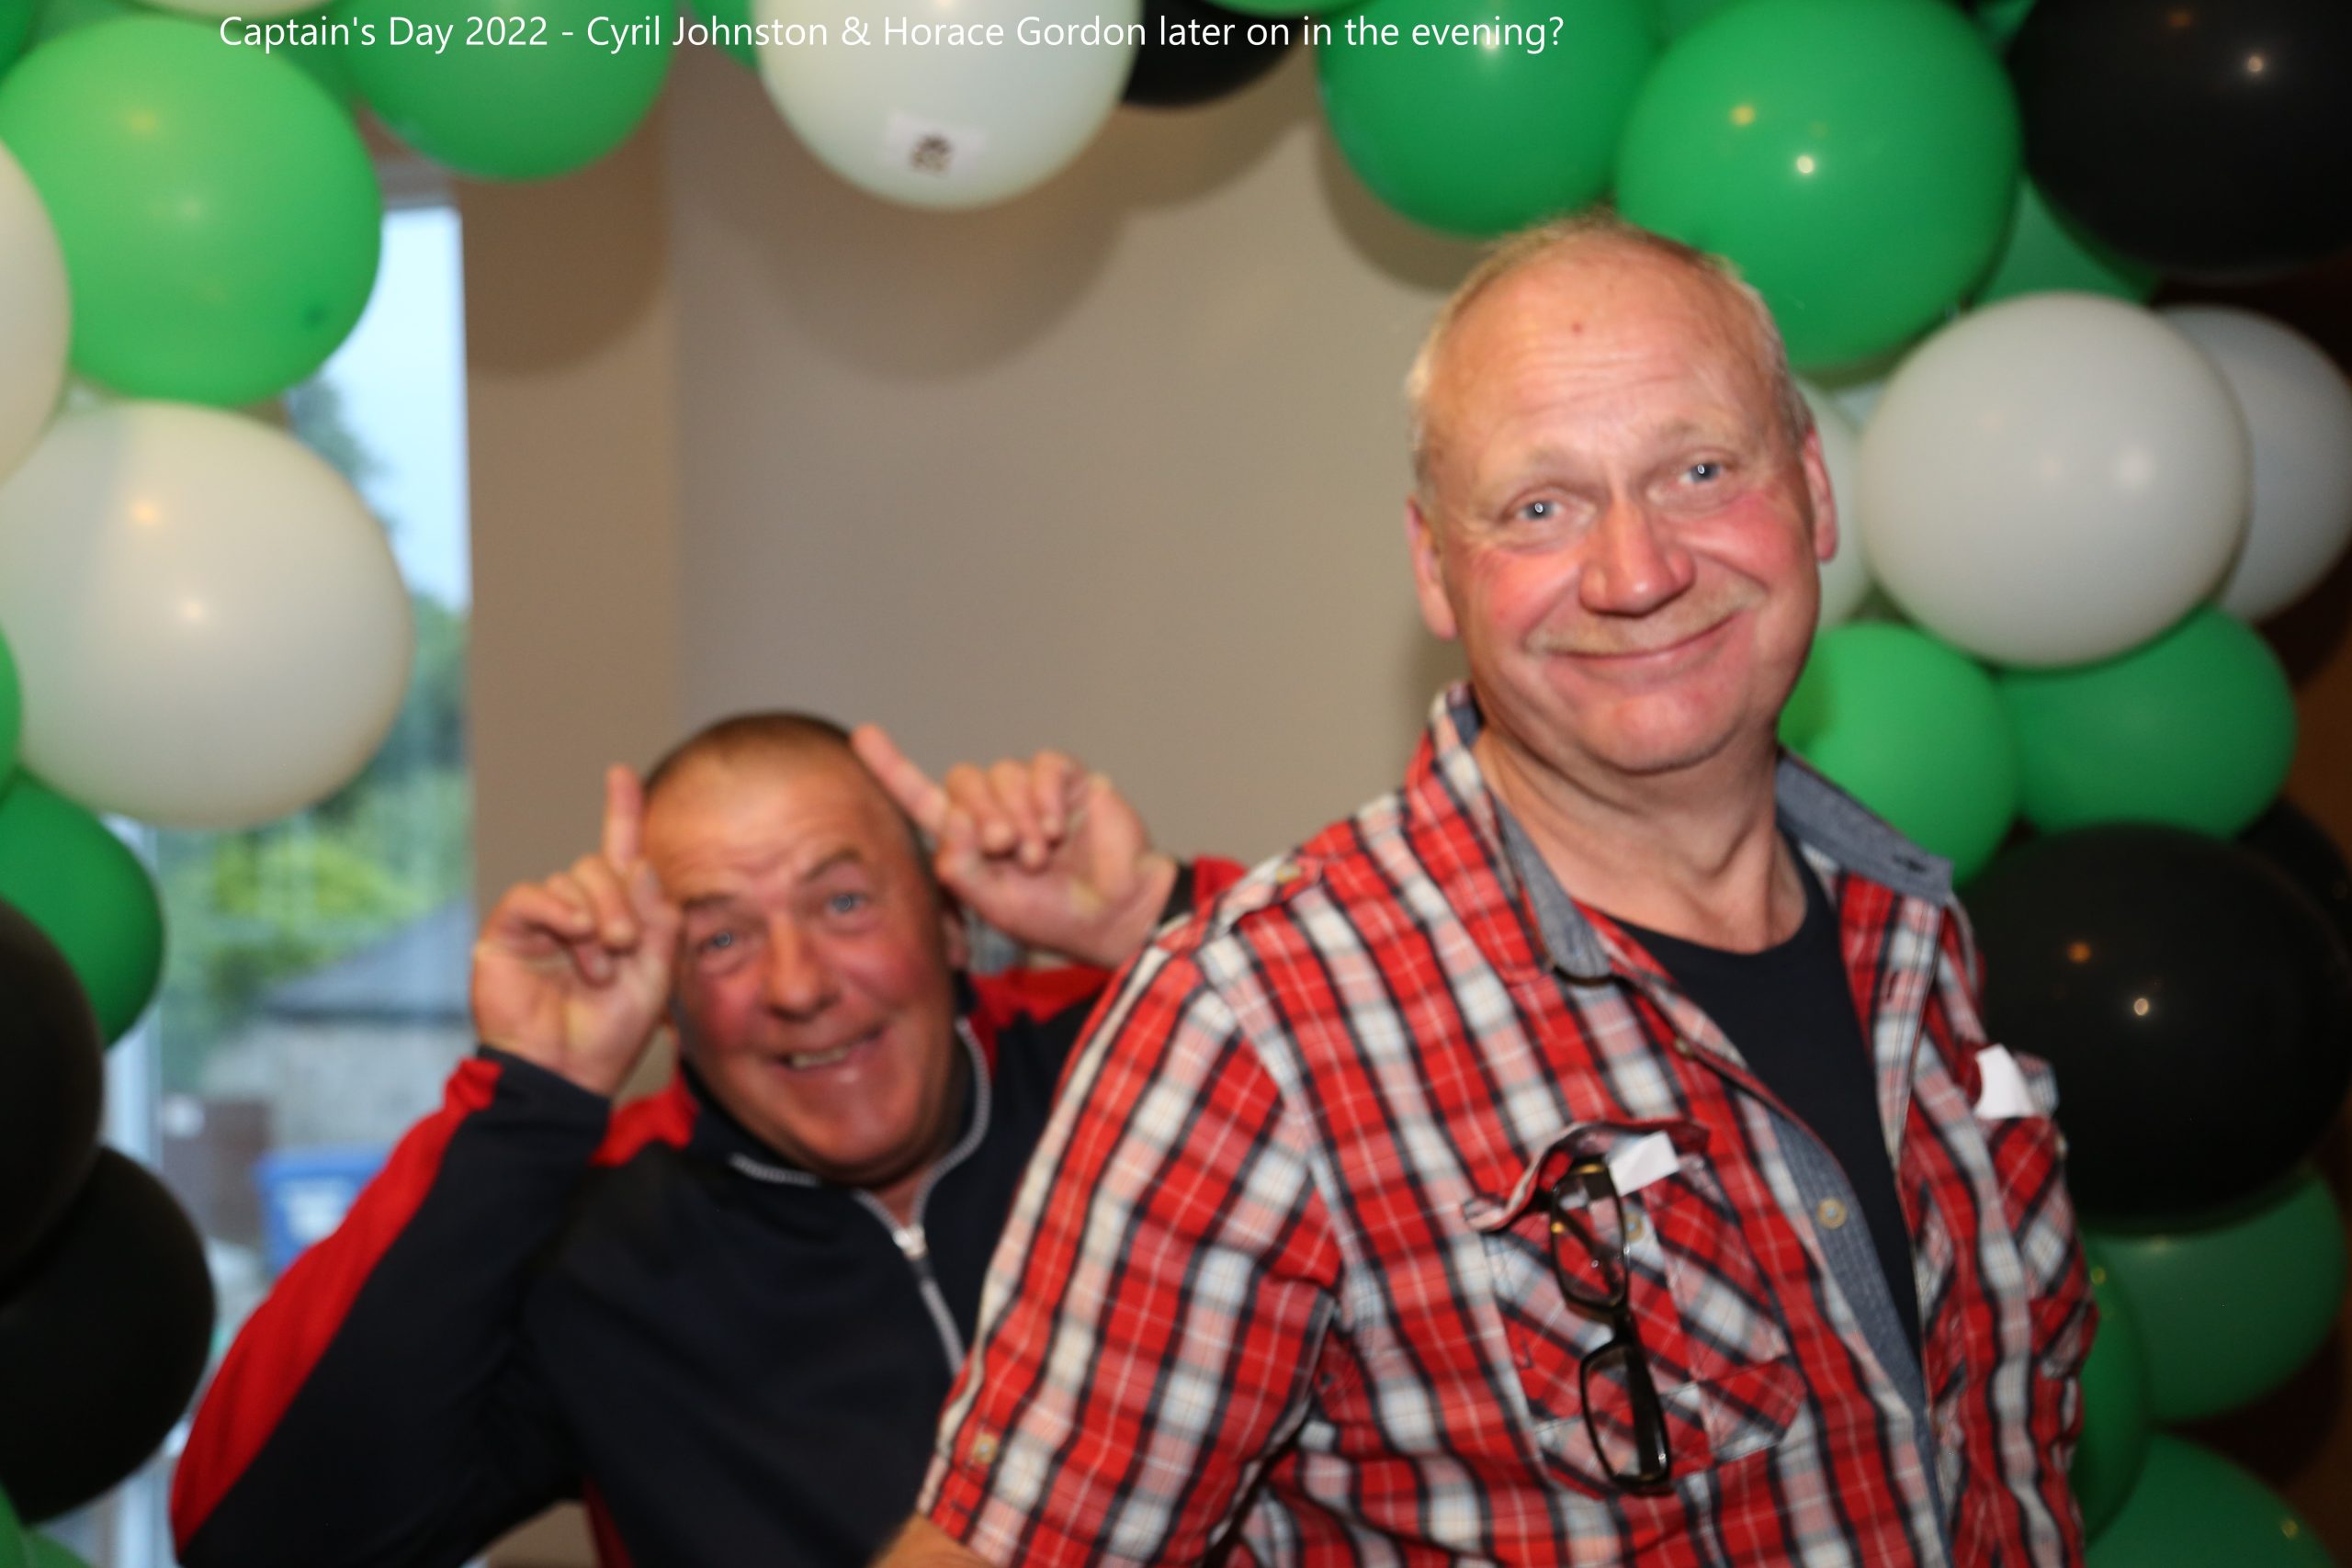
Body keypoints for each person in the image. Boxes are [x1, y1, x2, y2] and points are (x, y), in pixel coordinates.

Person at [879, 214, 2094, 1568]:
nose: (1638, 572)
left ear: (1811, 487)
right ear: (1433, 567)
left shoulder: (1916, 930)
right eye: (1539, 507)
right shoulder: (1253, 1034)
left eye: (1699, 469)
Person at [168, 713, 1240, 1567]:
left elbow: (1352, 1102)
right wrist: (522, 1106)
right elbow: (260, 1543)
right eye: (721, 936)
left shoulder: (1145, 1075)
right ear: (667, 1002)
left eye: (844, 902)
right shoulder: (600, 1246)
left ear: (952, 924)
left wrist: (1163, 919)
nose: (797, 985)